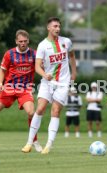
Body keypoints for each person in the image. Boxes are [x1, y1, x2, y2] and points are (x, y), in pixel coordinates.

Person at [0, 29, 42, 152]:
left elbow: (40, 67)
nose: (23, 43)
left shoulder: (34, 54)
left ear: (28, 41)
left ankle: (34, 141)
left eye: (25, 41)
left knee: (31, 113)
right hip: (9, 88)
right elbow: (2, 70)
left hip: (25, 89)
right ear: (16, 41)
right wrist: (0, 83)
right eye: (20, 41)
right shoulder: (9, 54)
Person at [21, 17, 77, 154]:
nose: (58, 28)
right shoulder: (42, 45)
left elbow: (72, 57)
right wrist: (45, 75)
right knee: (39, 109)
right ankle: (29, 143)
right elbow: (37, 66)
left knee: (56, 111)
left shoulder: (66, 42)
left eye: (59, 26)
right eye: (55, 26)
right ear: (48, 28)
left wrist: (74, 74)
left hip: (63, 83)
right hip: (47, 82)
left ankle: (48, 144)